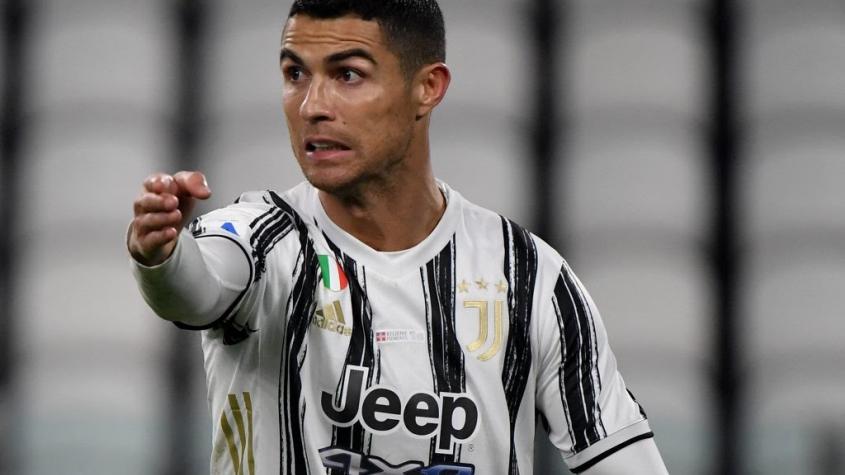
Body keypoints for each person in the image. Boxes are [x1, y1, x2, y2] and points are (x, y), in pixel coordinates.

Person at [128, 1, 669, 473]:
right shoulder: (264, 237)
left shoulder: (529, 277)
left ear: (427, 88)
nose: (313, 105)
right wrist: (162, 254)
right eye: (295, 74)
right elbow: (195, 287)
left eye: (348, 75)